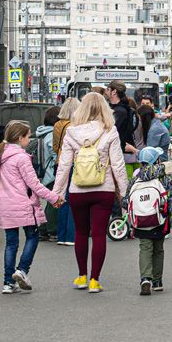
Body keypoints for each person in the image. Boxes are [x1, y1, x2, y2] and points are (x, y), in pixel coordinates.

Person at [54, 92, 129, 293]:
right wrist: (125, 193)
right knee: (98, 235)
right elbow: (118, 165)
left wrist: (57, 193)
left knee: (80, 232)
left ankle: (81, 276)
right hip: (103, 190)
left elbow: (63, 166)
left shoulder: (71, 132)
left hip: (77, 190)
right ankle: (95, 280)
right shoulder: (110, 131)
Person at [0, 121, 66, 294]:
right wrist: (54, 198)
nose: (29, 139)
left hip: (3, 206)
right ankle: (22, 270)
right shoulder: (22, 158)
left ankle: (8, 283)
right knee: (32, 236)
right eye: (28, 136)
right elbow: (34, 185)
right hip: (23, 205)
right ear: (19, 138)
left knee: (11, 243)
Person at [130, 147, 172, 295]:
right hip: (159, 220)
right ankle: (157, 281)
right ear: (157, 161)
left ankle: (145, 279)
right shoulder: (164, 177)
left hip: (141, 221)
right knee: (158, 249)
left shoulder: (136, 178)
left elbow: (126, 200)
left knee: (145, 248)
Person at [51, 96, 79, 246]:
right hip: (73, 164)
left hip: (59, 163)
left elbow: (56, 147)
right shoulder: (75, 126)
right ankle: (70, 236)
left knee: (61, 199)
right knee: (72, 199)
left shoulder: (57, 125)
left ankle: (61, 235)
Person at [33, 107, 62, 243]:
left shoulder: (43, 132)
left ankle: (43, 230)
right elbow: (54, 152)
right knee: (54, 202)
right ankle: (52, 230)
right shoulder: (51, 134)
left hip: (46, 172)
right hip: (52, 173)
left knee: (51, 202)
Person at [107, 80, 141, 177]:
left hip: (119, 154)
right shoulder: (120, 109)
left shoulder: (120, 112)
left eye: (108, 89)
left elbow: (112, 133)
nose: (106, 92)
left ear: (114, 92)